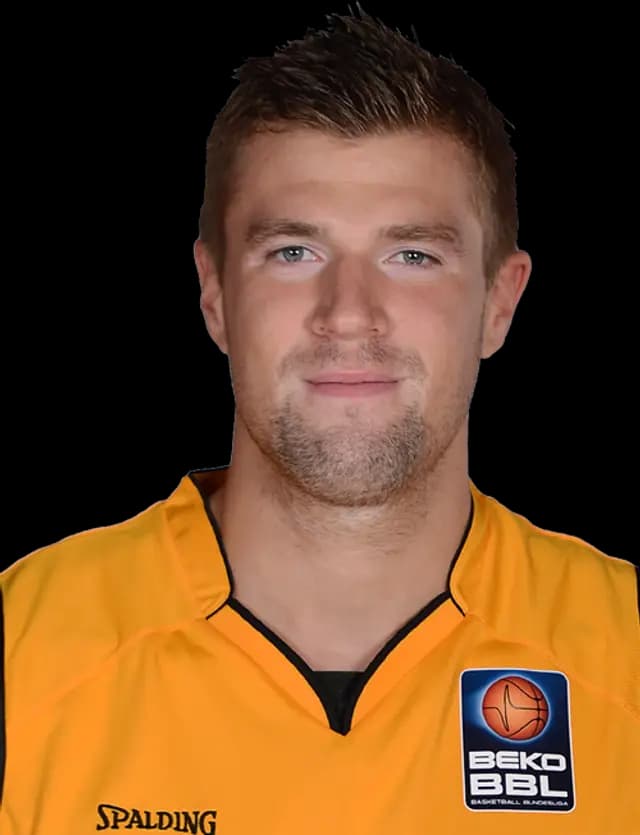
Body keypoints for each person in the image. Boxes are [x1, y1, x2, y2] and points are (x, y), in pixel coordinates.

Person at [1, 8, 637, 834]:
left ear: (499, 303)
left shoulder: (623, 648)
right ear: (214, 295)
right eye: (293, 252)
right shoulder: (23, 647)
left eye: (413, 255)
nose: (348, 313)